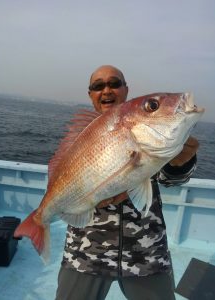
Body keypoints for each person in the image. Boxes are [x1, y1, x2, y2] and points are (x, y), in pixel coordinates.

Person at [55, 65, 199, 300]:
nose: (107, 90)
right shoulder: (77, 141)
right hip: (85, 252)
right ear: (90, 94)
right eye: (98, 86)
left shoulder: (147, 129)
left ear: (125, 89)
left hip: (146, 252)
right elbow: (67, 182)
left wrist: (181, 162)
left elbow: (172, 179)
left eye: (114, 83)